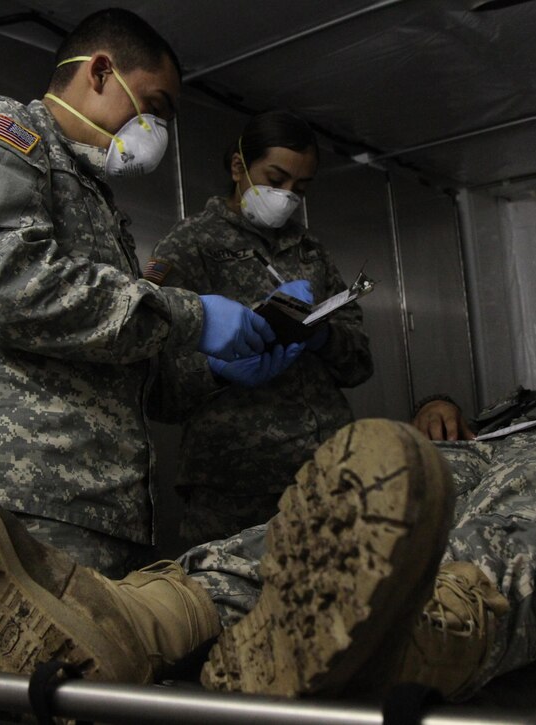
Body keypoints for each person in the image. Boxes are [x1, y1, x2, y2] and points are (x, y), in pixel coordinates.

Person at [0, 370, 536, 703]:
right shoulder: (531, 397)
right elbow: (445, 446)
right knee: (378, 491)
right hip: (492, 446)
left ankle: (444, 623)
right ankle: (147, 615)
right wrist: (445, 410)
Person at [0, 8, 283, 579]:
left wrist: (217, 369)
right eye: (153, 105)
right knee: (19, 672)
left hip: (99, 514)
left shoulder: (93, 198)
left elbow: (125, 375)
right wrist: (190, 315)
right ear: (100, 72)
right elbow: (3, 285)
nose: (157, 131)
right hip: (6, 508)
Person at [143, 111, 374, 543]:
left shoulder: (309, 249)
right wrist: (218, 368)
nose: (286, 196)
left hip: (328, 470)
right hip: (235, 484)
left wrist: (323, 335)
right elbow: (155, 389)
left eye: (300, 188)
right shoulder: (191, 246)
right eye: (276, 178)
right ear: (238, 166)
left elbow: (360, 365)